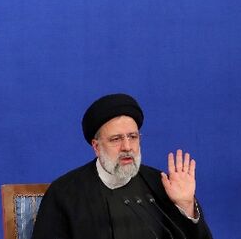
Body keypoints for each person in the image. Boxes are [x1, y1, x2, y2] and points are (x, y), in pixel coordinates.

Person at [31, 93, 214, 239]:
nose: (127, 147)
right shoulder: (64, 192)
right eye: (116, 139)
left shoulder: (161, 184)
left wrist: (186, 206)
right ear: (96, 146)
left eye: (132, 137)